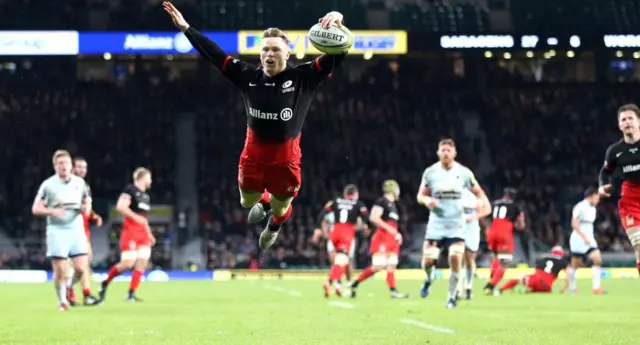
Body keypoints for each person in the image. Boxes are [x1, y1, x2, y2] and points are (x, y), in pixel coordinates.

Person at [163, 2, 348, 250]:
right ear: (260, 54)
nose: (269, 54)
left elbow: (339, 53)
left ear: (287, 54)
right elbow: (214, 55)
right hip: (253, 156)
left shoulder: (304, 78)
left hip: (286, 162)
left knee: (282, 208)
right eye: (265, 50)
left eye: (275, 50)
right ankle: (264, 201)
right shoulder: (247, 76)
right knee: (246, 202)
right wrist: (187, 29)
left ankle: (274, 225)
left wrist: (339, 23)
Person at [417, 139, 490, 309]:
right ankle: (428, 279)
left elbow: (479, 193)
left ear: (454, 153)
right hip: (437, 224)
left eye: (448, 150)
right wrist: (427, 200)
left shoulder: (464, 173)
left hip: (456, 224)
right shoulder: (430, 173)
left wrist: (479, 202)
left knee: (456, 257)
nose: (445, 153)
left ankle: (451, 298)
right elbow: (420, 195)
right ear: (438, 153)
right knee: (428, 261)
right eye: (442, 150)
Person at [31, 150, 99, 310]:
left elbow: (87, 201)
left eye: (66, 163)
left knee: (82, 269)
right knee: (60, 270)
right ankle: (62, 301)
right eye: (60, 163)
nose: (63, 166)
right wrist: (52, 211)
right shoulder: (48, 185)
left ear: (71, 166)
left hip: (76, 229)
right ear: (55, 166)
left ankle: (68, 286)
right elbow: (36, 208)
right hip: (57, 230)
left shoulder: (80, 183)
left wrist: (87, 209)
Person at [99, 168, 155, 302]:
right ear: (143, 177)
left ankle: (131, 293)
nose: (151, 181)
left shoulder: (146, 196)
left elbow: (144, 218)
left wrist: (149, 233)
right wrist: (136, 218)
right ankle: (105, 282)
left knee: (142, 262)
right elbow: (121, 207)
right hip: (130, 231)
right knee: (128, 264)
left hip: (142, 233)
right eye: (149, 178)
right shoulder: (130, 190)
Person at [347, 180, 408, 299]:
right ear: (394, 189)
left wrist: (396, 234)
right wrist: (391, 230)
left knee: (392, 265)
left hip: (392, 238)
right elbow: (374, 217)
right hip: (382, 237)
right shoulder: (382, 202)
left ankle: (393, 291)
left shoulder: (394, 205)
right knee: (379, 266)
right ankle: (355, 283)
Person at [599, 103, 640, 277]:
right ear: (619, 125)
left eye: (631, 118)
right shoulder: (614, 151)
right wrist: (602, 185)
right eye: (623, 119)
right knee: (638, 243)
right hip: (630, 198)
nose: (627, 122)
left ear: (639, 122)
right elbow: (605, 171)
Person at [313, 184, 368, 297]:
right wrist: (367, 228)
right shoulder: (358, 204)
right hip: (346, 234)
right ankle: (334, 283)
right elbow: (365, 219)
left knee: (338, 261)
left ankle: (338, 284)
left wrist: (319, 230)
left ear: (345, 194)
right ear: (355, 194)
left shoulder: (335, 202)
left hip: (334, 233)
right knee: (344, 261)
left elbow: (322, 216)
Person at [67, 157, 103, 306]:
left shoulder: (84, 186)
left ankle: (72, 289)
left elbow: (86, 206)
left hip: (84, 227)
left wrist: (94, 216)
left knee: (86, 262)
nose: (82, 170)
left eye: (85, 167)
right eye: (79, 167)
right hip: (70, 228)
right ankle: (78, 292)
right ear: (73, 168)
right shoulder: (67, 184)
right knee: (78, 264)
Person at [483, 187, 525, 295]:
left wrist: (486, 229)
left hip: (492, 230)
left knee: (496, 257)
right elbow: (521, 224)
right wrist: (518, 226)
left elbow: (484, 216)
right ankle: (490, 285)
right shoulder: (516, 206)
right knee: (505, 261)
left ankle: (491, 280)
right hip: (504, 231)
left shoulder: (494, 203)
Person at [563, 187, 604, 294]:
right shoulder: (580, 207)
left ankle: (596, 288)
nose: (598, 200)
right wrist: (584, 237)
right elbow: (574, 224)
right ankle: (572, 288)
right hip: (578, 239)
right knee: (576, 264)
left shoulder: (593, 208)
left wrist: (589, 237)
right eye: (597, 197)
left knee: (597, 259)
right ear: (591, 197)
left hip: (589, 239)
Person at [456, 188, 491, 300]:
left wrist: (475, 217)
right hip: (458, 229)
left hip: (472, 230)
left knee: (470, 259)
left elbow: (487, 209)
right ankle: (457, 289)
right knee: (458, 257)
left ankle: (468, 287)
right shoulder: (455, 193)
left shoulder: (476, 194)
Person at [498, 246, 568, 294]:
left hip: (536, 280)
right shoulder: (562, 261)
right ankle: (528, 291)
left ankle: (500, 290)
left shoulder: (543, 258)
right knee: (540, 288)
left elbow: (536, 271)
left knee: (519, 279)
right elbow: (568, 275)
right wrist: (566, 288)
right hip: (547, 287)